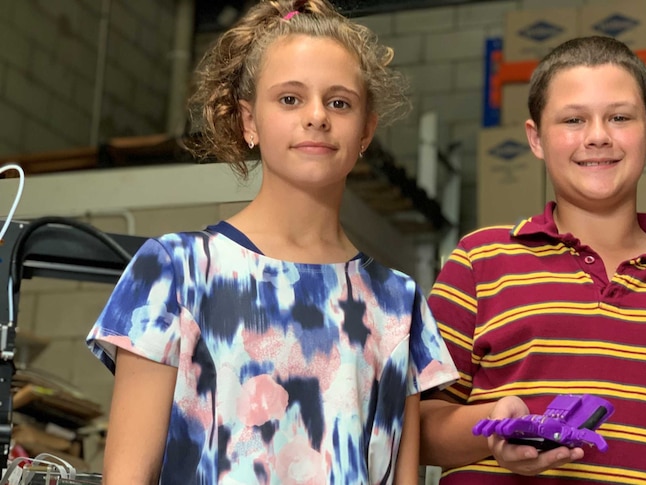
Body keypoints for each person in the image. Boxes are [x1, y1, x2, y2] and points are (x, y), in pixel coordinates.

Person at [85, 1, 458, 483]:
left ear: (366, 129)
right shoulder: (176, 269)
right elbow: (127, 476)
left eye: (340, 102)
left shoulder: (398, 300)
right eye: (290, 99)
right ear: (249, 121)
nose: (317, 117)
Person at [419, 36, 646, 485]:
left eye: (619, 117)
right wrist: (493, 431)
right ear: (535, 138)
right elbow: (419, 428)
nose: (597, 136)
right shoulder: (480, 261)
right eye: (573, 119)